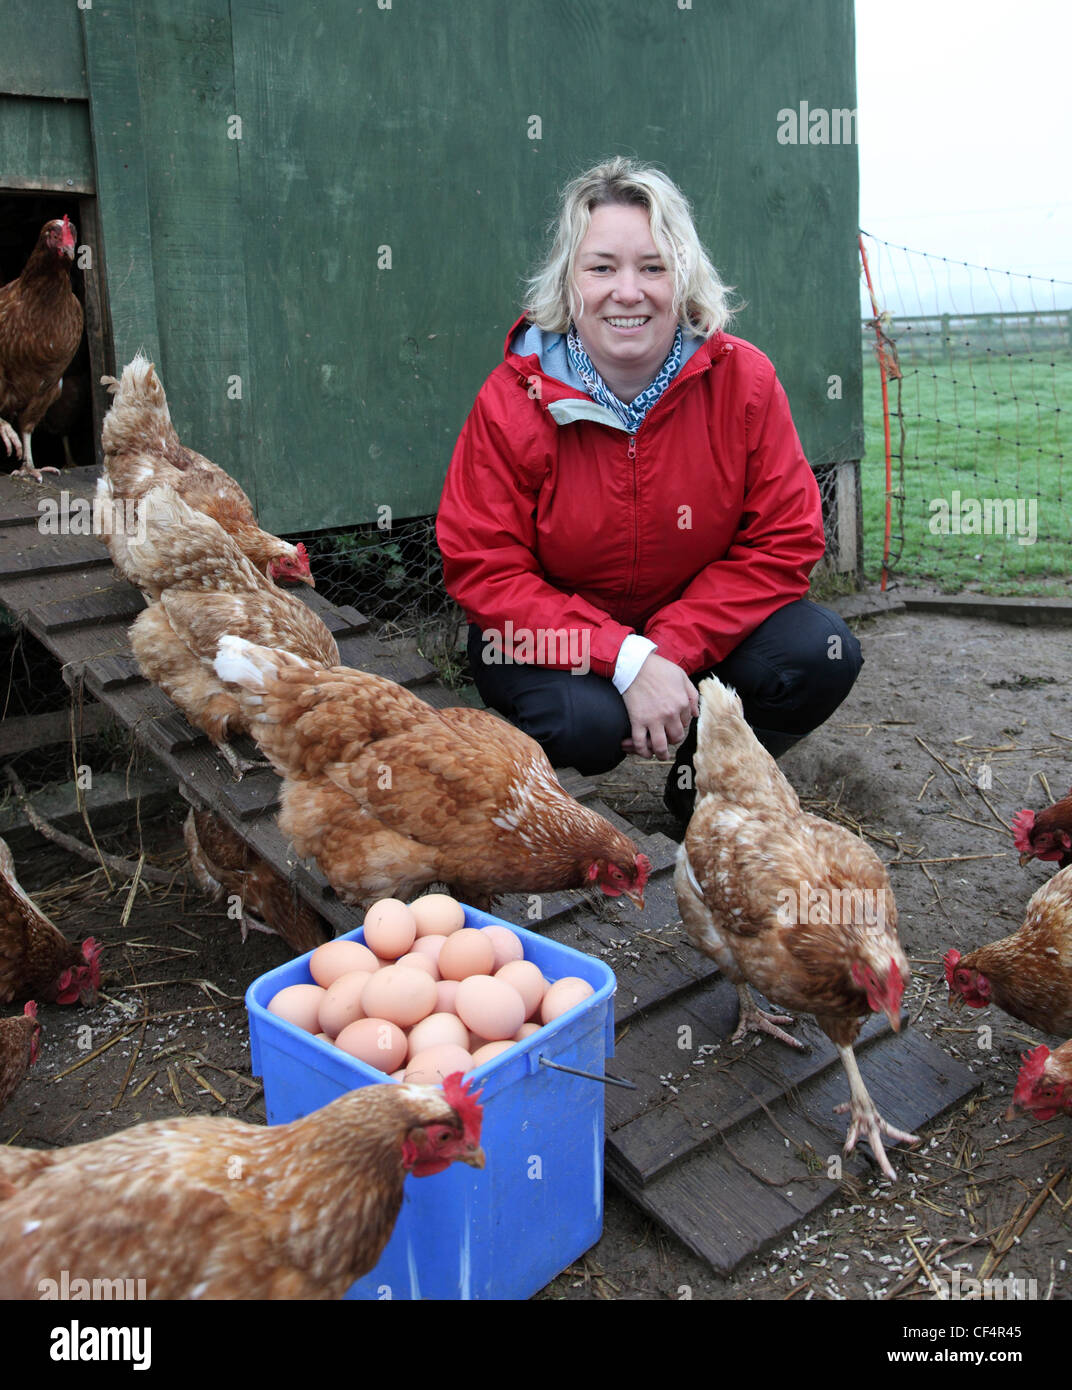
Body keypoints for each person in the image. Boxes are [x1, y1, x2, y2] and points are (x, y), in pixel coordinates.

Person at [436, 157, 862, 823]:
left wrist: (666, 652)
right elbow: (484, 568)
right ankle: (554, 824)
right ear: (570, 282)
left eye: (653, 267)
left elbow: (785, 542)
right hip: (558, 642)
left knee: (817, 654)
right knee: (585, 723)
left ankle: (702, 793)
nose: (627, 291)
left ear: (683, 277)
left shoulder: (744, 382)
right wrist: (623, 658)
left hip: (693, 625)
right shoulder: (512, 398)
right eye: (602, 267)